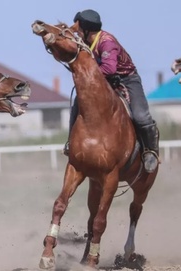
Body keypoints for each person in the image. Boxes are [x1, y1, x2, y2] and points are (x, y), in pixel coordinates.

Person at [65, 9, 159, 173]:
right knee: (77, 104)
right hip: (102, 81)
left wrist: (85, 73)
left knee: (140, 116)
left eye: (78, 28)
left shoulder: (106, 42)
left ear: (87, 30)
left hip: (127, 80)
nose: (76, 31)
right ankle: (71, 142)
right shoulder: (85, 42)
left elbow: (109, 68)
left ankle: (150, 151)